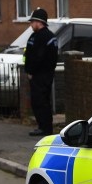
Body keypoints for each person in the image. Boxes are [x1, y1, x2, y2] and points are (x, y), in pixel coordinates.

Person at [24, 7, 59, 136]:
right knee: (40, 101)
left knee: (41, 102)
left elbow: (38, 57)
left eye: (32, 22)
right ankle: (43, 126)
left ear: (39, 22)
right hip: (43, 74)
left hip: (40, 75)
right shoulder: (42, 36)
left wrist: (31, 71)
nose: (31, 24)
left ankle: (45, 128)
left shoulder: (42, 37)